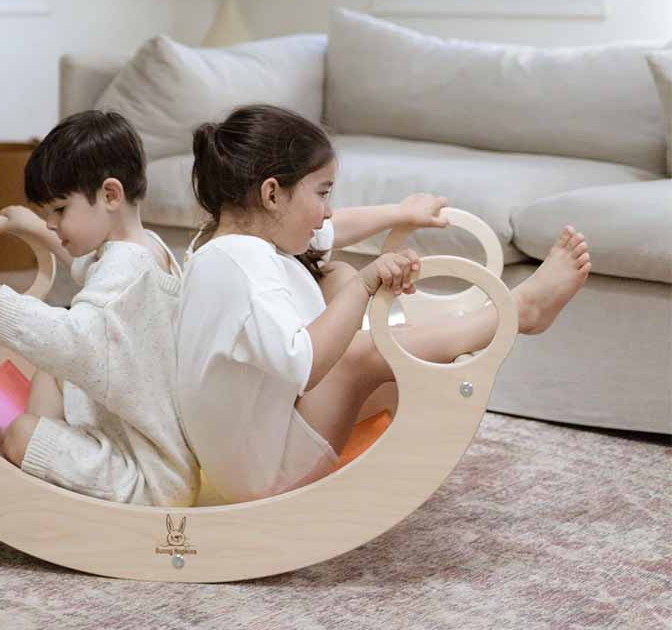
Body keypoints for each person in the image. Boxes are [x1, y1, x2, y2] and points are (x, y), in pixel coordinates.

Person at [176, 104, 592, 504]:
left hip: (264, 436)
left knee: (333, 276)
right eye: (322, 192)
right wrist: (365, 284)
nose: (327, 210)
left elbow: (332, 229)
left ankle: (444, 335)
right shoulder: (243, 264)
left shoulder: (234, 243)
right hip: (266, 471)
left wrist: (401, 213)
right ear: (271, 194)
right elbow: (305, 363)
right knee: (359, 348)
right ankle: (519, 311)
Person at [0, 110, 199, 507]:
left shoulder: (123, 269)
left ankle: (22, 450)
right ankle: (31, 452)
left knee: (26, 422)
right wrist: (36, 230)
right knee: (54, 372)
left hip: (144, 478)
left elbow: (67, 338)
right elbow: (92, 275)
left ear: (110, 195)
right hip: (145, 445)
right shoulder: (145, 249)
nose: (52, 224)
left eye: (60, 211)